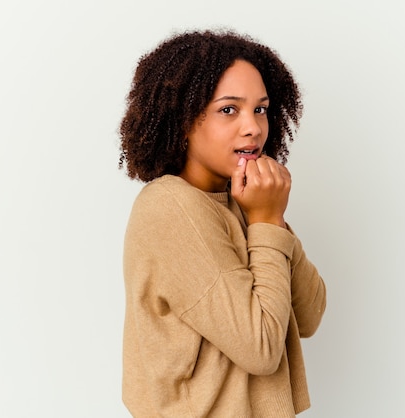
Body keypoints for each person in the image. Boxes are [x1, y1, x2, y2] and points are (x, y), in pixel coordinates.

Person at [119, 29, 326, 417]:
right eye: (229, 109)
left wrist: (270, 217)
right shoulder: (169, 206)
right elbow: (262, 348)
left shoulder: (243, 202)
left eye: (260, 109)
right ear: (183, 119)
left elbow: (310, 314)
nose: (253, 128)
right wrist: (265, 219)